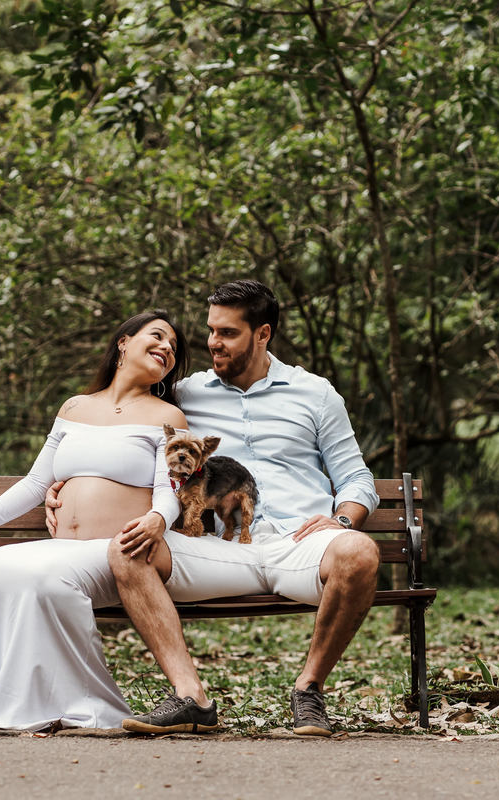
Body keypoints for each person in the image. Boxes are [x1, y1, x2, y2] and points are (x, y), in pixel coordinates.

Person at [49, 279, 381, 736]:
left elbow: (357, 479)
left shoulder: (316, 394)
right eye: (210, 330)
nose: (211, 342)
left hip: (299, 542)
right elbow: (122, 434)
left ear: (262, 334)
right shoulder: (184, 395)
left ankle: (308, 691)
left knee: (359, 551)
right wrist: (65, 480)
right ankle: (191, 699)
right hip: (217, 545)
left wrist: (342, 520)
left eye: (227, 333)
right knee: (126, 551)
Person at [0, 310, 189, 731]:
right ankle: (11, 703)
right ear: (123, 342)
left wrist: (157, 519)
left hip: (116, 551)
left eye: (173, 348)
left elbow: (168, 491)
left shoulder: (167, 417)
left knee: (48, 578)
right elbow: (35, 483)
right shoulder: (75, 408)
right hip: (63, 548)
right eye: (157, 336)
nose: (167, 349)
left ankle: (93, 708)